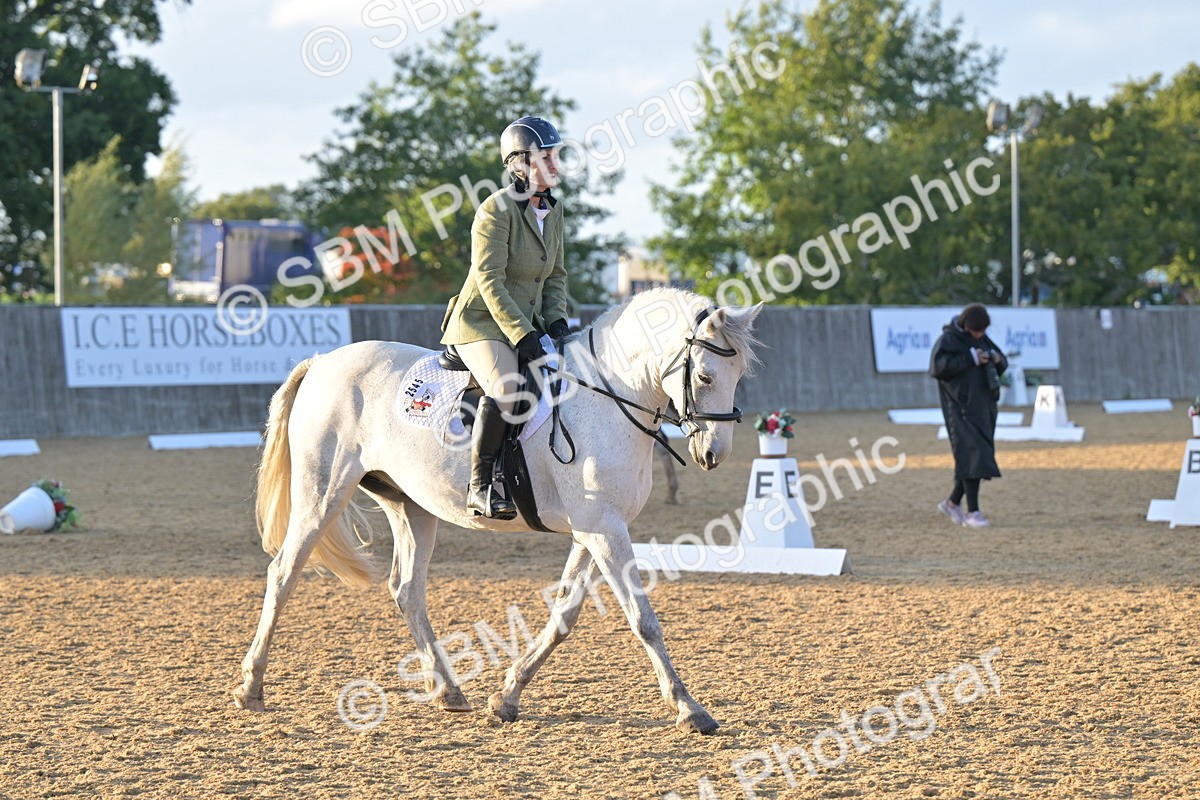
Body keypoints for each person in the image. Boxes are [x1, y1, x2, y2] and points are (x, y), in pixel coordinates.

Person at [439, 116, 572, 519]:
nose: (555, 165)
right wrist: (523, 335)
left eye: (556, 156)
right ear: (518, 164)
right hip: (480, 321)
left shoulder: (554, 210)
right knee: (507, 387)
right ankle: (479, 487)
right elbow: (490, 281)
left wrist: (557, 322)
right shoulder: (495, 210)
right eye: (544, 158)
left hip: (524, 321)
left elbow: (556, 276)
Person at [929, 303, 1008, 528]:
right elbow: (938, 368)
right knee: (971, 454)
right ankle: (973, 512)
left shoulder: (981, 339)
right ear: (967, 325)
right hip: (959, 407)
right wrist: (970, 359)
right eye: (977, 330)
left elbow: (1002, 360)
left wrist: (995, 358)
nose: (980, 335)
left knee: (979, 455)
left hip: (982, 406)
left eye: (983, 331)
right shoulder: (948, 340)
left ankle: (952, 502)